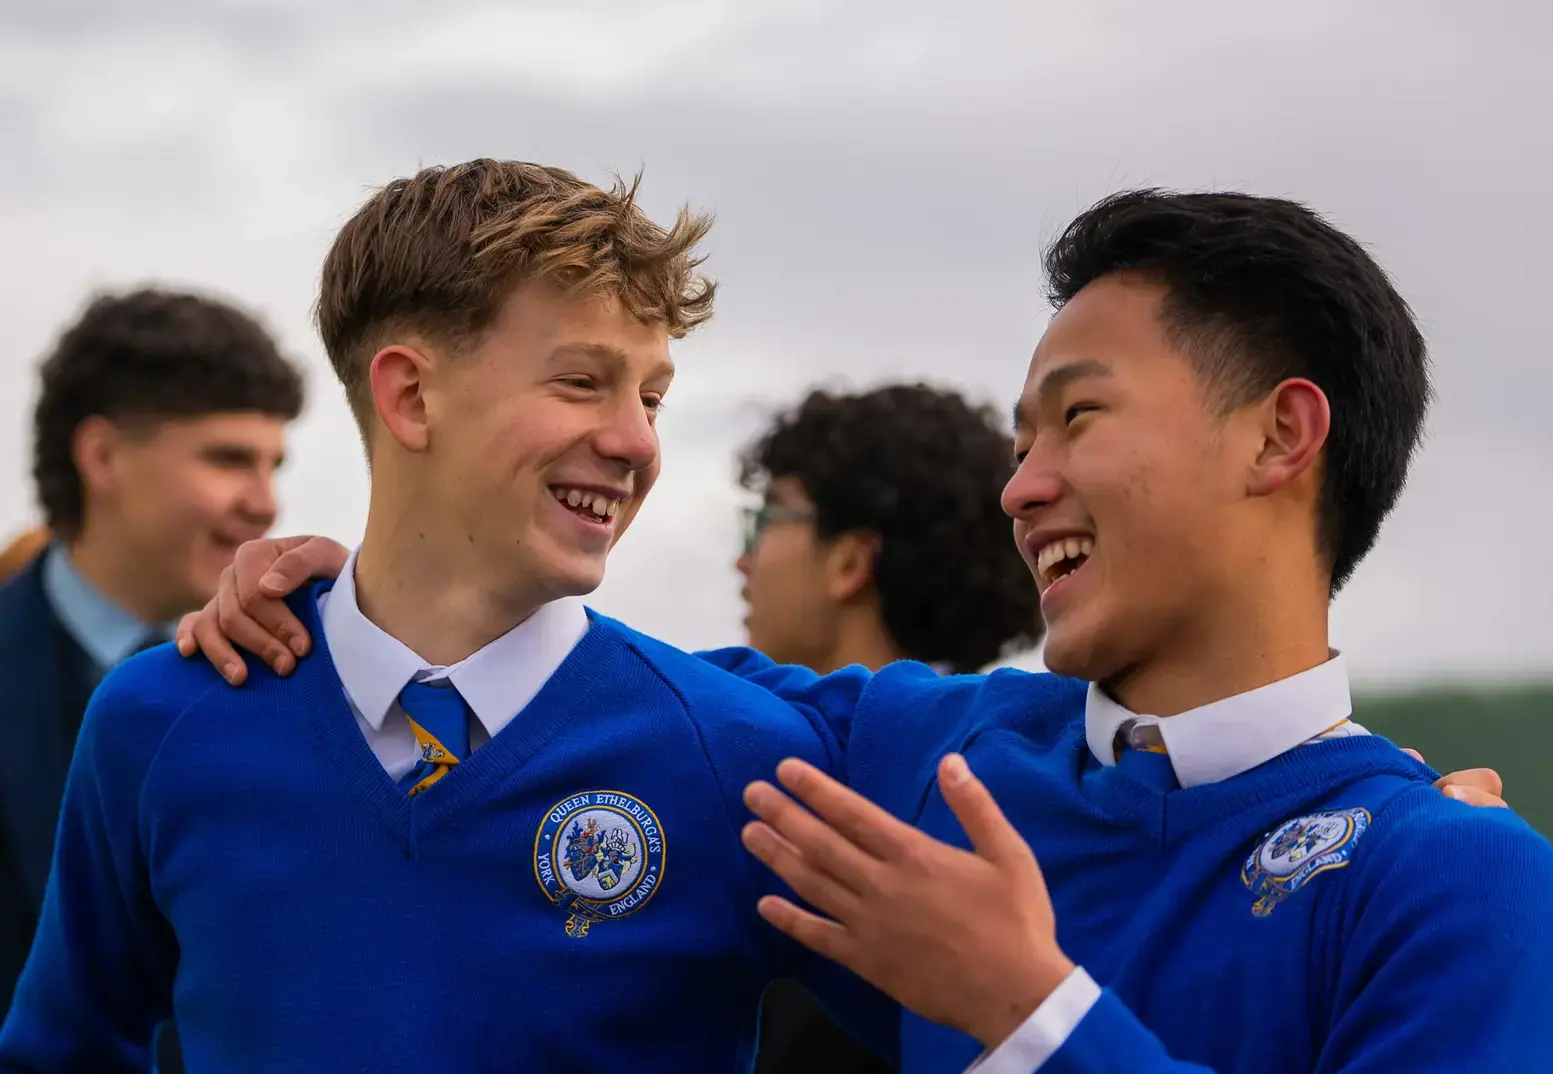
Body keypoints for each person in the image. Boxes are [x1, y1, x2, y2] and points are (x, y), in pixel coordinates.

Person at [168, 187, 1533, 1070]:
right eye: (1019, 436)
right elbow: (571, 693)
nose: (1023, 482)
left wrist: (1033, 1013)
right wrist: (347, 603)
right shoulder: (907, 753)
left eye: (1080, 415)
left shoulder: (1450, 880)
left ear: (1281, 436)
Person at [0, 159, 902, 1072]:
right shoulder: (161, 723)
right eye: (583, 382)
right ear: (410, 395)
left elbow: (976, 1027)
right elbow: (63, 1049)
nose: (637, 441)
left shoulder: (742, 757)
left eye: (653, 397)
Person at [0, 287, 302, 1071]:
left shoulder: (296, 685)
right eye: (228, 458)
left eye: (274, 463)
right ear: (101, 457)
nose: (264, 504)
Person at [737, 384, 1042, 1074]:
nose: (743, 560)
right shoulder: (1003, 780)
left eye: (766, 521)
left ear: (850, 562)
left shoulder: (801, 799)